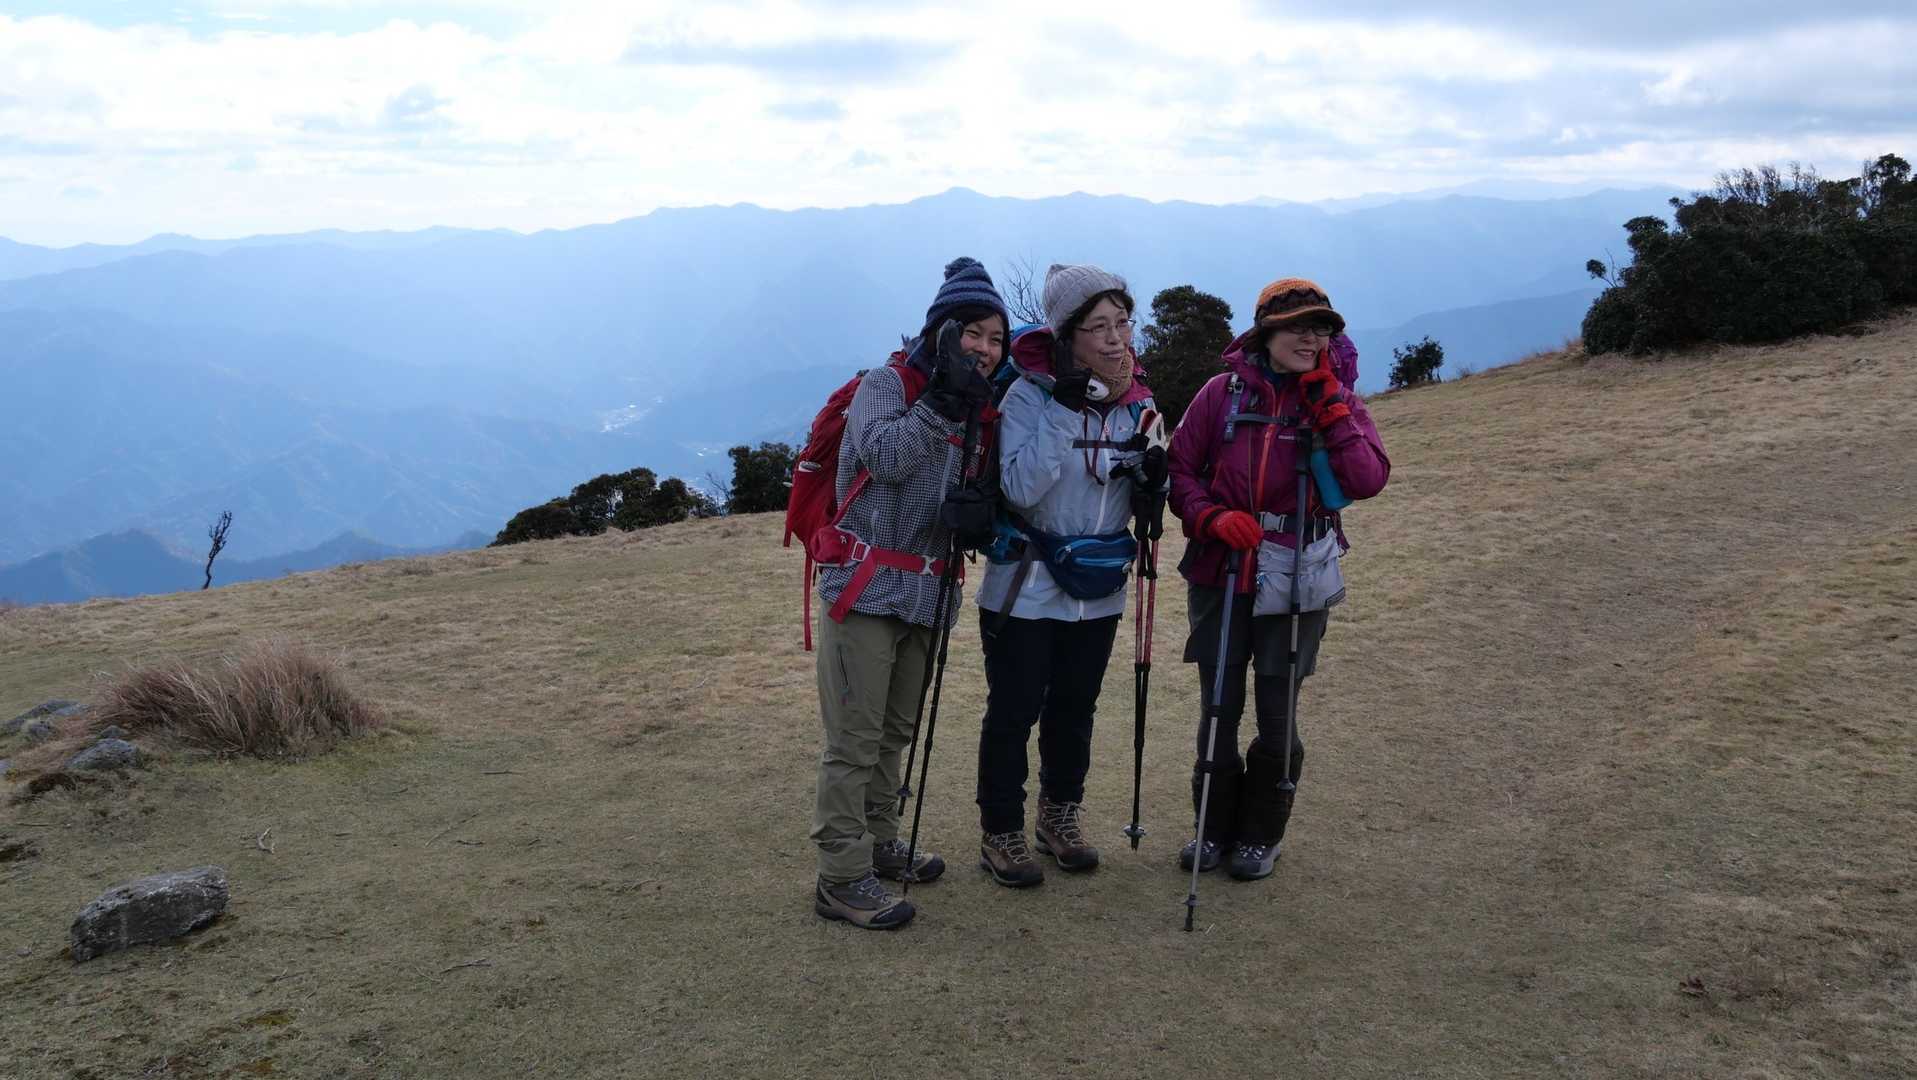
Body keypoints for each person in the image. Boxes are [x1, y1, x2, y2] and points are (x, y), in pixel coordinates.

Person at [1165, 277, 1389, 881]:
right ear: (1265, 333)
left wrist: (1332, 411)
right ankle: (1211, 829)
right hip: (1221, 567)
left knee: (1276, 709)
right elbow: (1180, 471)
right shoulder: (1220, 395)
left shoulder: (1337, 400)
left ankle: (1260, 835)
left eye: (1320, 329)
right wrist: (1210, 517)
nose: (1310, 339)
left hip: (1297, 572)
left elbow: (1367, 479)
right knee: (1219, 704)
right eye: (1297, 328)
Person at [810, 257, 1009, 929]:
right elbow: (886, 458)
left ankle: (879, 842)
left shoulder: (978, 408)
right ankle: (840, 877)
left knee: (894, 732)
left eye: (995, 339)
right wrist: (940, 403)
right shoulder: (887, 385)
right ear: (941, 331)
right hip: (864, 588)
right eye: (972, 333)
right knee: (854, 740)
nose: (984, 349)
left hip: (928, 594)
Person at [972, 264, 1168, 887]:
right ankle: (1001, 830)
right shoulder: (1028, 397)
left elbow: (1140, 486)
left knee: (1075, 708)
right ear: (1066, 335)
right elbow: (1021, 490)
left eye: (1122, 323)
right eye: (1098, 327)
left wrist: (1151, 480)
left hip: (1099, 587)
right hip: (1024, 586)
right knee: (1014, 710)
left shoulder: (1139, 402)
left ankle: (1059, 816)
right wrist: (1063, 407)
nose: (1115, 339)